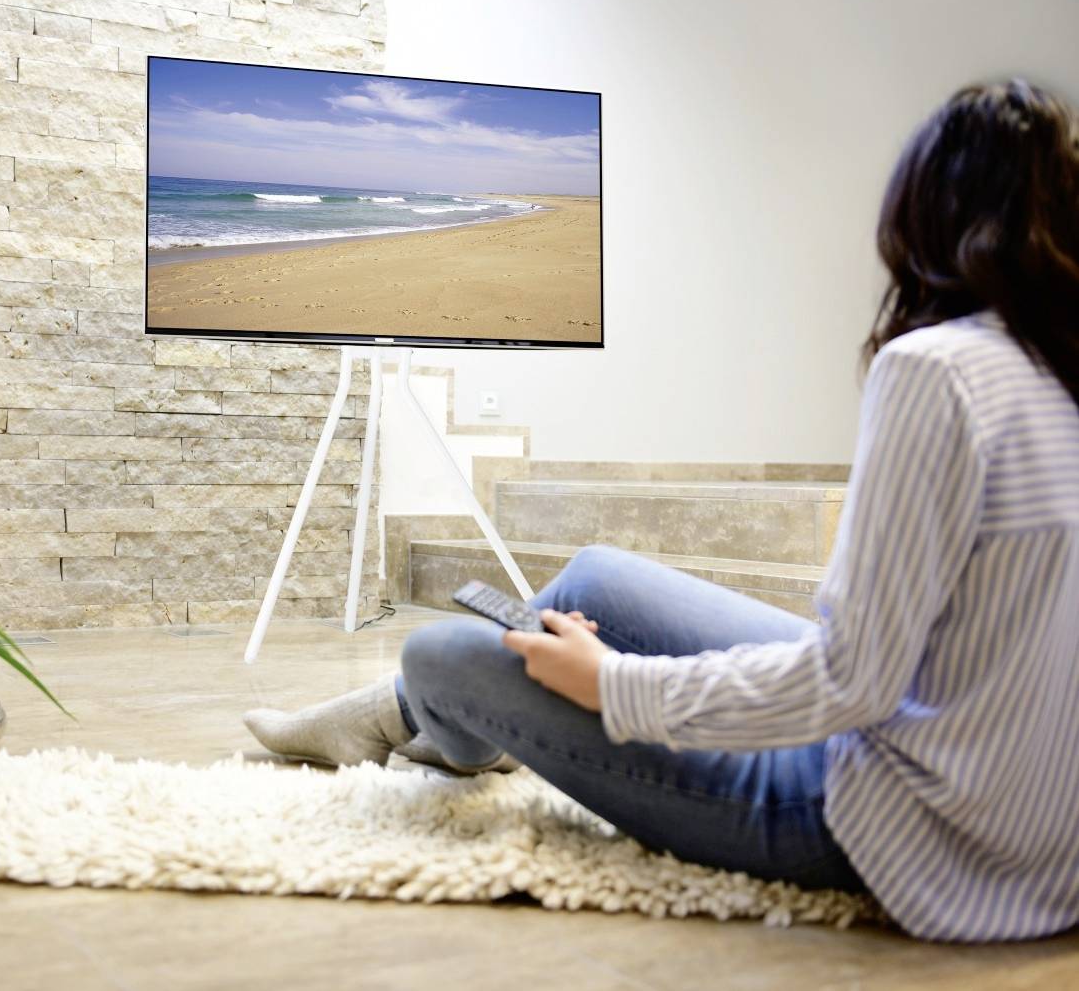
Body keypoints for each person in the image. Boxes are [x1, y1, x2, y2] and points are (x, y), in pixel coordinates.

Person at [244, 79, 1079, 943]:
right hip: (1041, 826)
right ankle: (420, 721)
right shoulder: (1057, 372)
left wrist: (615, 686)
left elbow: (848, 681)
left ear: (924, 215)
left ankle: (425, 715)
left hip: (912, 830)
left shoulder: (936, 370)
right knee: (600, 576)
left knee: (442, 652)